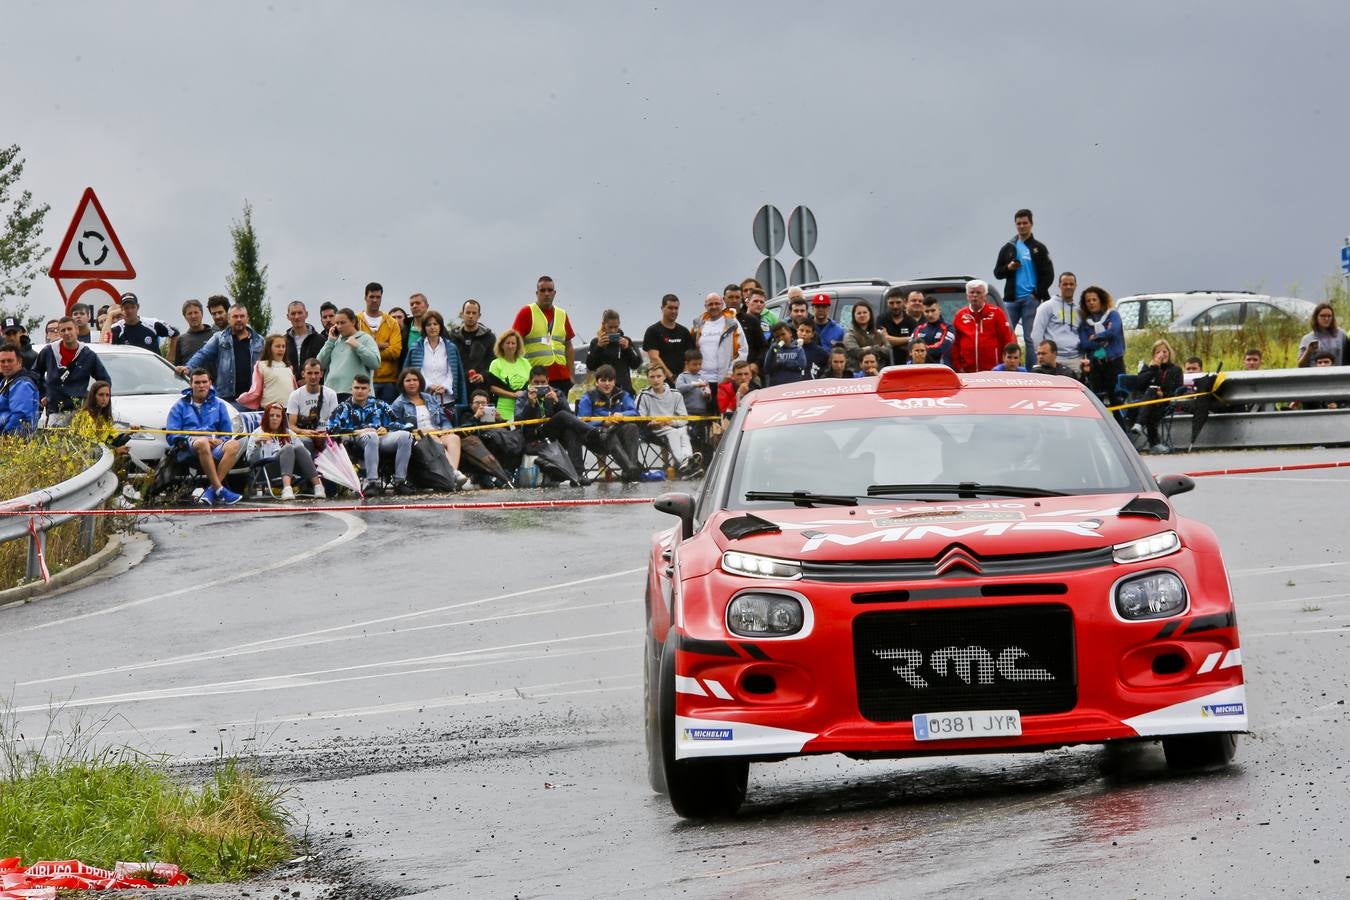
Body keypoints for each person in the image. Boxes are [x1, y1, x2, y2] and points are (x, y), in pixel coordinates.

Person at [165, 368, 243, 505]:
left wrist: (219, 441)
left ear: (210, 383)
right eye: (197, 382)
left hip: (214, 446)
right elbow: (171, 435)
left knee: (234, 444)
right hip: (189, 447)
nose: (201, 385)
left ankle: (212, 490)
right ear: (191, 384)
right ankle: (220, 488)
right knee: (202, 442)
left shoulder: (219, 405)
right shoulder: (179, 406)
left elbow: (227, 434)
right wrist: (190, 439)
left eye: (204, 382)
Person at [327, 374, 415, 496]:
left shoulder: (380, 405)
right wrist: (355, 431)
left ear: (369, 390)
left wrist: (387, 428)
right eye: (357, 388)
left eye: (363, 388)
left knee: (406, 436)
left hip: (382, 437)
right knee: (371, 436)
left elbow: (399, 422)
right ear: (351, 389)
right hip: (356, 439)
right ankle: (372, 483)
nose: (360, 391)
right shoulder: (343, 407)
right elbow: (330, 428)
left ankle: (400, 481)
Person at [517, 365, 600, 481]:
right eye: (536, 382)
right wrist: (530, 404)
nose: (539, 386)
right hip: (532, 434)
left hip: (551, 433)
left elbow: (570, 417)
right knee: (561, 415)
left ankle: (578, 475)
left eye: (543, 382)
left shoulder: (556, 393)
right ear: (530, 381)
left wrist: (557, 401)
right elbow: (518, 420)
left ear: (548, 380)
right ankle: (591, 432)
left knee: (571, 432)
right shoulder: (523, 396)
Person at [993, 208, 1054, 362]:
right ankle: (1007, 369)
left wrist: (1037, 293)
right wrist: (1009, 268)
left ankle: (1031, 372)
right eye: (1019, 223)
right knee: (1007, 337)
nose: (1022, 226)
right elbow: (997, 273)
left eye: (1025, 223)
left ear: (1031, 224)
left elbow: (1049, 275)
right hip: (1011, 299)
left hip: (1030, 299)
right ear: (1015, 225)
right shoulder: (1008, 248)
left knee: (1030, 338)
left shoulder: (1038, 248)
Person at [32, 317, 112, 425]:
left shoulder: (88, 355)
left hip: (80, 412)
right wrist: (43, 394)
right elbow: (34, 375)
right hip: (55, 412)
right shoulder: (48, 352)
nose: (67, 333)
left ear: (77, 330)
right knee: (55, 441)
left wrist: (92, 401)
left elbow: (104, 380)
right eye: (63, 330)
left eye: (70, 329)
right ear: (59, 333)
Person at [390, 366, 465, 478]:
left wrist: (446, 429)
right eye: (408, 380)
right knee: (433, 439)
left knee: (454, 438)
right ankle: (453, 474)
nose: (412, 383)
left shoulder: (430, 398)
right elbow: (394, 426)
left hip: (436, 432)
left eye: (415, 380)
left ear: (420, 382)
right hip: (416, 437)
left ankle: (453, 473)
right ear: (402, 383)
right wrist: (414, 430)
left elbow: (444, 419)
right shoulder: (398, 403)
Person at [182, 304, 264, 405]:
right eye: (235, 316)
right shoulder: (219, 338)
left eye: (242, 316)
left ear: (247, 319)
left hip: (252, 399)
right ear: (229, 319)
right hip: (227, 399)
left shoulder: (260, 341)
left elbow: (268, 365)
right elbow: (203, 354)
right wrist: (188, 367)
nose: (239, 319)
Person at [512, 275, 577, 400]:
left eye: (549, 290)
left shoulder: (562, 314)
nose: (546, 293)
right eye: (542, 290)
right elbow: (513, 344)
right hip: (537, 379)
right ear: (537, 293)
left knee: (562, 415)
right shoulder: (526, 312)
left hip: (562, 377)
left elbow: (568, 345)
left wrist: (571, 375)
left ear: (554, 293)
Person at [248, 402, 326, 500]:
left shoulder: (289, 433)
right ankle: (287, 488)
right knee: (288, 448)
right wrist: (257, 443)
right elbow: (249, 458)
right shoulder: (257, 433)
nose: (274, 418)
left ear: (282, 419)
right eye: (271, 415)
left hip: (293, 469)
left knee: (299, 448)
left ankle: (318, 487)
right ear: (266, 417)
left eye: (278, 416)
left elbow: (307, 454)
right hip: (268, 468)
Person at [577, 363, 642, 481]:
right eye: (603, 380)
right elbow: (582, 422)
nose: (607, 384)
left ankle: (630, 469)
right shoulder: (588, 397)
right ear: (596, 382)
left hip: (619, 432)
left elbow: (634, 413)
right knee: (609, 432)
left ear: (614, 381)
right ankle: (631, 469)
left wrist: (622, 415)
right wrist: (603, 422)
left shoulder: (623, 395)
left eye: (610, 380)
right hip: (596, 437)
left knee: (632, 427)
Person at [637, 362, 701, 478]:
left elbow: (684, 418)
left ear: (664, 377)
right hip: (652, 430)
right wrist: (651, 423)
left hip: (673, 426)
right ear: (647, 378)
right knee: (673, 432)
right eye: (652, 377)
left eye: (659, 376)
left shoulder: (676, 394)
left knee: (683, 431)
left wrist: (670, 422)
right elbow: (639, 418)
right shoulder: (643, 395)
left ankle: (688, 461)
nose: (656, 380)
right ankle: (684, 462)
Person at [405, 310, 468, 424]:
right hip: (423, 398)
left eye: (435, 324)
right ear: (424, 328)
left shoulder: (451, 347)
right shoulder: (415, 348)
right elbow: (416, 372)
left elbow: (453, 372)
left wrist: (444, 387)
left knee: (448, 430)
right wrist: (430, 386)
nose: (432, 327)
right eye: (429, 324)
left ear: (440, 326)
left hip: (447, 399)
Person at [691, 292, 747, 407]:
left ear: (722, 303)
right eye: (710, 304)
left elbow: (743, 349)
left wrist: (731, 372)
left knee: (723, 415)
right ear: (705, 306)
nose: (714, 306)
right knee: (705, 416)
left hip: (724, 379)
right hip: (703, 380)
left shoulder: (732, 323)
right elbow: (693, 349)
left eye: (717, 303)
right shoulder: (699, 323)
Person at [950, 280, 1015, 373]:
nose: (975, 295)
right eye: (972, 292)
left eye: (978, 292)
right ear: (967, 296)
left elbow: (1007, 340)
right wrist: (958, 367)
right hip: (968, 372)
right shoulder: (960, 316)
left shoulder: (997, 313)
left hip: (994, 371)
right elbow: (955, 345)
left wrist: (1004, 366)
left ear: (985, 296)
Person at [317, 307, 380, 401]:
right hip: (332, 394)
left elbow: (375, 363)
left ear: (353, 322)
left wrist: (357, 346)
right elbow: (320, 364)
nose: (339, 326)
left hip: (355, 394)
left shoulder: (365, 338)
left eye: (342, 322)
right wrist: (330, 341)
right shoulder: (334, 341)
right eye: (337, 323)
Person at [1076, 286, 1126, 404]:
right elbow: (1085, 344)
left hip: (1114, 363)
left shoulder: (1112, 315)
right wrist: (1104, 338)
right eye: (1088, 301)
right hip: (1096, 365)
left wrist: (1096, 337)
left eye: (1094, 299)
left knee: (1117, 400)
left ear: (1101, 300)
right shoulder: (1085, 323)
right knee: (1097, 401)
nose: (1091, 303)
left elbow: (1114, 331)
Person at [1133, 339, 1183, 454]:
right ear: (1153, 355)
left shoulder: (1175, 370)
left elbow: (1178, 389)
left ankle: (1139, 424)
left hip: (1165, 403)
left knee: (1152, 393)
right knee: (1151, 392)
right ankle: (1154, 444)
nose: (1162, 355)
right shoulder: (1149, 368)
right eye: (1158, 352)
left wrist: (1163, 394)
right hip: (1146, 403)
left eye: (1165, 352)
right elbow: (1139, 384)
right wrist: (1153, 369)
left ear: (1169, 353)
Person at [356, 282, 403, 402]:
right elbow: (354, 349)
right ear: (365, 298)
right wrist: (382, 345)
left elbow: (395, 351)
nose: (375, 300)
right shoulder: (356, 321)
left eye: (378, 297)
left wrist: (367, 351)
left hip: (389, 381)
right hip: (363, 379)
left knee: (388, 419)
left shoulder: (391, 322)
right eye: (372, 297)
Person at [68, 381, 132, 463]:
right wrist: (115, 451)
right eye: (101, 395)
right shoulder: (85, 416)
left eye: (107, 395)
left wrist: (128, 433)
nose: (105, 399)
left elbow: (112, 439)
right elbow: (89, 450)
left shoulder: (104, 417)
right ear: (93, 397)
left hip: (98, 459)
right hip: (82, 461)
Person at [585, 309, 643, 396]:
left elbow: (636, 364)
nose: (613, 330)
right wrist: (599, 347)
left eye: (615, 327)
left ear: (619, 324)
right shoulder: (596, 342)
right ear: (604, 325)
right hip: (603, 390)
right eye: (610, 327)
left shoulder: (626, 340)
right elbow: (590, 365)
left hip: (624, 389)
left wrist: (627, 349)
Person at [1030, 272, 1082, 367]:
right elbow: (1037, 333)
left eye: (1071, 284)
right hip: (1053, 359)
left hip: (1075, 360)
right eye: (1065, 284)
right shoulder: (1047, 306)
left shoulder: (1079, 310)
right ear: (1059, 286)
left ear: (1075, 286)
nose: (1068, 287)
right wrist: (1042, 355)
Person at [238, 334, 298, 411]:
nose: (281, 349)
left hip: (288, 410)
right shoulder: (261, 365)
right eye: (277, 346)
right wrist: (242, 398)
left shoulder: (289, 367)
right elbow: (255, 390)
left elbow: (295, 389)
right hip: (269, 410)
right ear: (269, 348)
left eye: (283, 346)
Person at [286, 358, 340, 443]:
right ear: (303, 374)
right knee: (306, 442)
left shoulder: (331, 394)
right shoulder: (295, 395)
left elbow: (335, 422)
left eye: (316, 373)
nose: (313, 377)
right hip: (304, 436)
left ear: (321, 374)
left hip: (326, 436)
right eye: (309, 373)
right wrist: (303, 432)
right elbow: (291, 426)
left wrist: (325, 434)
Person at [642, 293, 694, 376]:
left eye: (676, 308)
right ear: (662, 308)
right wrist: (672, 377)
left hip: (683, 382)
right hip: (662, 382)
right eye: (670, 308)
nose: (673, 311)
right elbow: (654, 358)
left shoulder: (684, 332)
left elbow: (689, 358)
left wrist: (683, 378)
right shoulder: (652, 331)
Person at [451, 298, 496, 393]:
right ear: (462, 314)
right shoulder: (453, 336)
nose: (470, 316)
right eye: (468, 312)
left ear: (479, 316)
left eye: (474, 313)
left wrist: (483, 376)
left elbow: (492, 362)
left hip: (481, 389)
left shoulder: (489, 337)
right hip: (458, 387)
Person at [110, 293, 178, 354]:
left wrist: (170, 357)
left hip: (152, 367)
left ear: (138, 307)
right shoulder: (116, 328)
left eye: (133, 307)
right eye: (126, 308)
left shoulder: (153, 323)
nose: (130, 311)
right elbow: (104, 345)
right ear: (121, 309)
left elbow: (175, 333)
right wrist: (110, 315)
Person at [488, 329, 532, 421]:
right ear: (502, 345)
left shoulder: (525, 362)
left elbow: (532, 382)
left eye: (513, 343)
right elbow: (492, 387)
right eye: (507, 343)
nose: (510, 346)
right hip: (503, 409)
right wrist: (513, 395)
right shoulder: (496, 364)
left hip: (524, 408)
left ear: (517, 345)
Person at [0, 345, 39, 435]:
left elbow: (20, 415)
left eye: (10, 361)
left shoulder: (22, 384)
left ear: (19, 362)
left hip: (14, 439)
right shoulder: (5, 382)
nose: (6, 364)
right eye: (2, 361)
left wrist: (6, 436)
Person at [842, 300, 892, 369]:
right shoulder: (850, 335)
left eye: (865, 312)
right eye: (859, 313)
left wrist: (869, 348)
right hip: (858, 375)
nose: (862, 315)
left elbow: (888, 351)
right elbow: (855, 352)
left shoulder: (879, 334)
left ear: (870, 314)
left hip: (879, 374)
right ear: (854, 316)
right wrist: (879, 348)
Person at [284, 301, 327, 381]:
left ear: (306, 314)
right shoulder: (283, 342)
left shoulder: (321, 340)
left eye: (300, 313)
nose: (297, 317)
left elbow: (325, 365)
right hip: (289, 387)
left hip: (315, 388)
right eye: (293, 313)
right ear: (288, 316)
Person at [1297, 303, 1346, 368]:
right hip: (1316, 376)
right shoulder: (1307, 339)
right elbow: (1300, 365)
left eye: (1329, 316)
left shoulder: (1341, 335)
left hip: (1337, 375)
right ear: (1316, 317)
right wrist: (1308, 351)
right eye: (1322, 316)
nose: (1326, 318)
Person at [762, 321, 809, 385]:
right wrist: (772, 351)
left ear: (790, 333)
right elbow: (767, 368)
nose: (781, 338)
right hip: (776, 386)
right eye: (777, 337)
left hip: (793, 385)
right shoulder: (775, 350)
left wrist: (783, 362)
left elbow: (801, 365)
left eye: (783, 334)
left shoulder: (798, 349)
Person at [172, 299, 215, 367]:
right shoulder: (181, 340)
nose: (193, 316)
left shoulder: (214, 335)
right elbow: (178, 367)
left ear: (202, 314)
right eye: (189, 313)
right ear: (185, 317)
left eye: (196, 312)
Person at [881, 289, 923, 357]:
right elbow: (884, 340)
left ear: (904, 302)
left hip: (906, 363)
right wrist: (909, 339)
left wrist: (892, 340)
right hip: (886, 362)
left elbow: (915, 343)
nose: (895, 306)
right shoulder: (881, 319)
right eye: (891, 303)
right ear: (887, 303)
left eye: (898, 302)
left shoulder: (911, 321)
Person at [737, 288, 769, 378]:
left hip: (756, 370)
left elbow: (765, 348)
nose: (758, 304)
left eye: (761, 302)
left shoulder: (767, 324)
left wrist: (757, 364)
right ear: (747, 302)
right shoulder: (737, 320)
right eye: (755, 301)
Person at [915, 297, 954, 365]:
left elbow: (942, 349)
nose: (930, 314)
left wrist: (921, 350)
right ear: (923, 312)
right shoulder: (918, 329)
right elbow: (912, 349)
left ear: (939, 310)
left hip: (941, 370)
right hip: (922, 370)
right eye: (927, 311)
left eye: (933, 310)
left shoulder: (948, 328)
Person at [399, 293, 430, 366]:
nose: (414, 306)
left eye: (418, 303)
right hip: (410, 374)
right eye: (412, 304)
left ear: (427, 306)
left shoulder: (437, 327)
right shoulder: (404, 329)